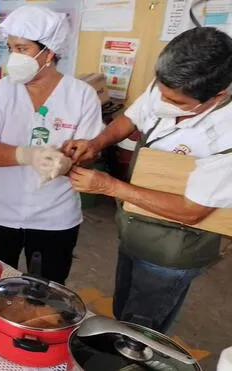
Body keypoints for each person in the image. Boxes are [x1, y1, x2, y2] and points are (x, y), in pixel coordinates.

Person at [63, 27, 232, 333]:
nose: (164, 103)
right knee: (123, 309)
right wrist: (96, 143)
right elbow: (131, 118)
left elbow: (192, 210)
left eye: (177, 102)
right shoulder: (169, 85)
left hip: (173, 249)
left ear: (218, 95)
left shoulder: (225, 136)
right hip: (135, 228)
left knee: (141, 330)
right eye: (161, 92)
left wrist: (108, 186)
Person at [0, 5, 104, 284]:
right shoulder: (1, 92)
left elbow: (90, 154)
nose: (14, 58)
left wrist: (71, 159)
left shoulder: (81, 96)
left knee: (45, 293)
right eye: (11, 48)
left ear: (50, 51)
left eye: (22, 48)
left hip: (54, 218)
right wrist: (28, 154)